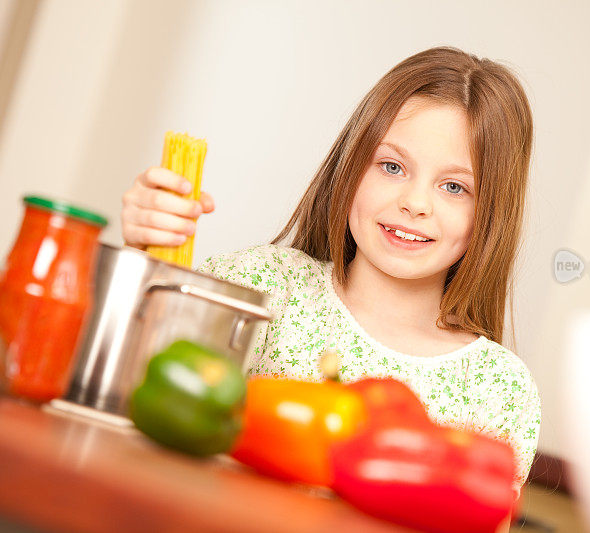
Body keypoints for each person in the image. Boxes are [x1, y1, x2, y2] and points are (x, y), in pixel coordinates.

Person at [121, 46, 541, 497]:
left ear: (491, 212)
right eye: (392, 166)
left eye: (455, 187)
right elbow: (139, 405)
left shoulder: (501, 391)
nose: (416, 203)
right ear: (352, 165)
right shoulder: (257, 287)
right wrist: (145, 257)